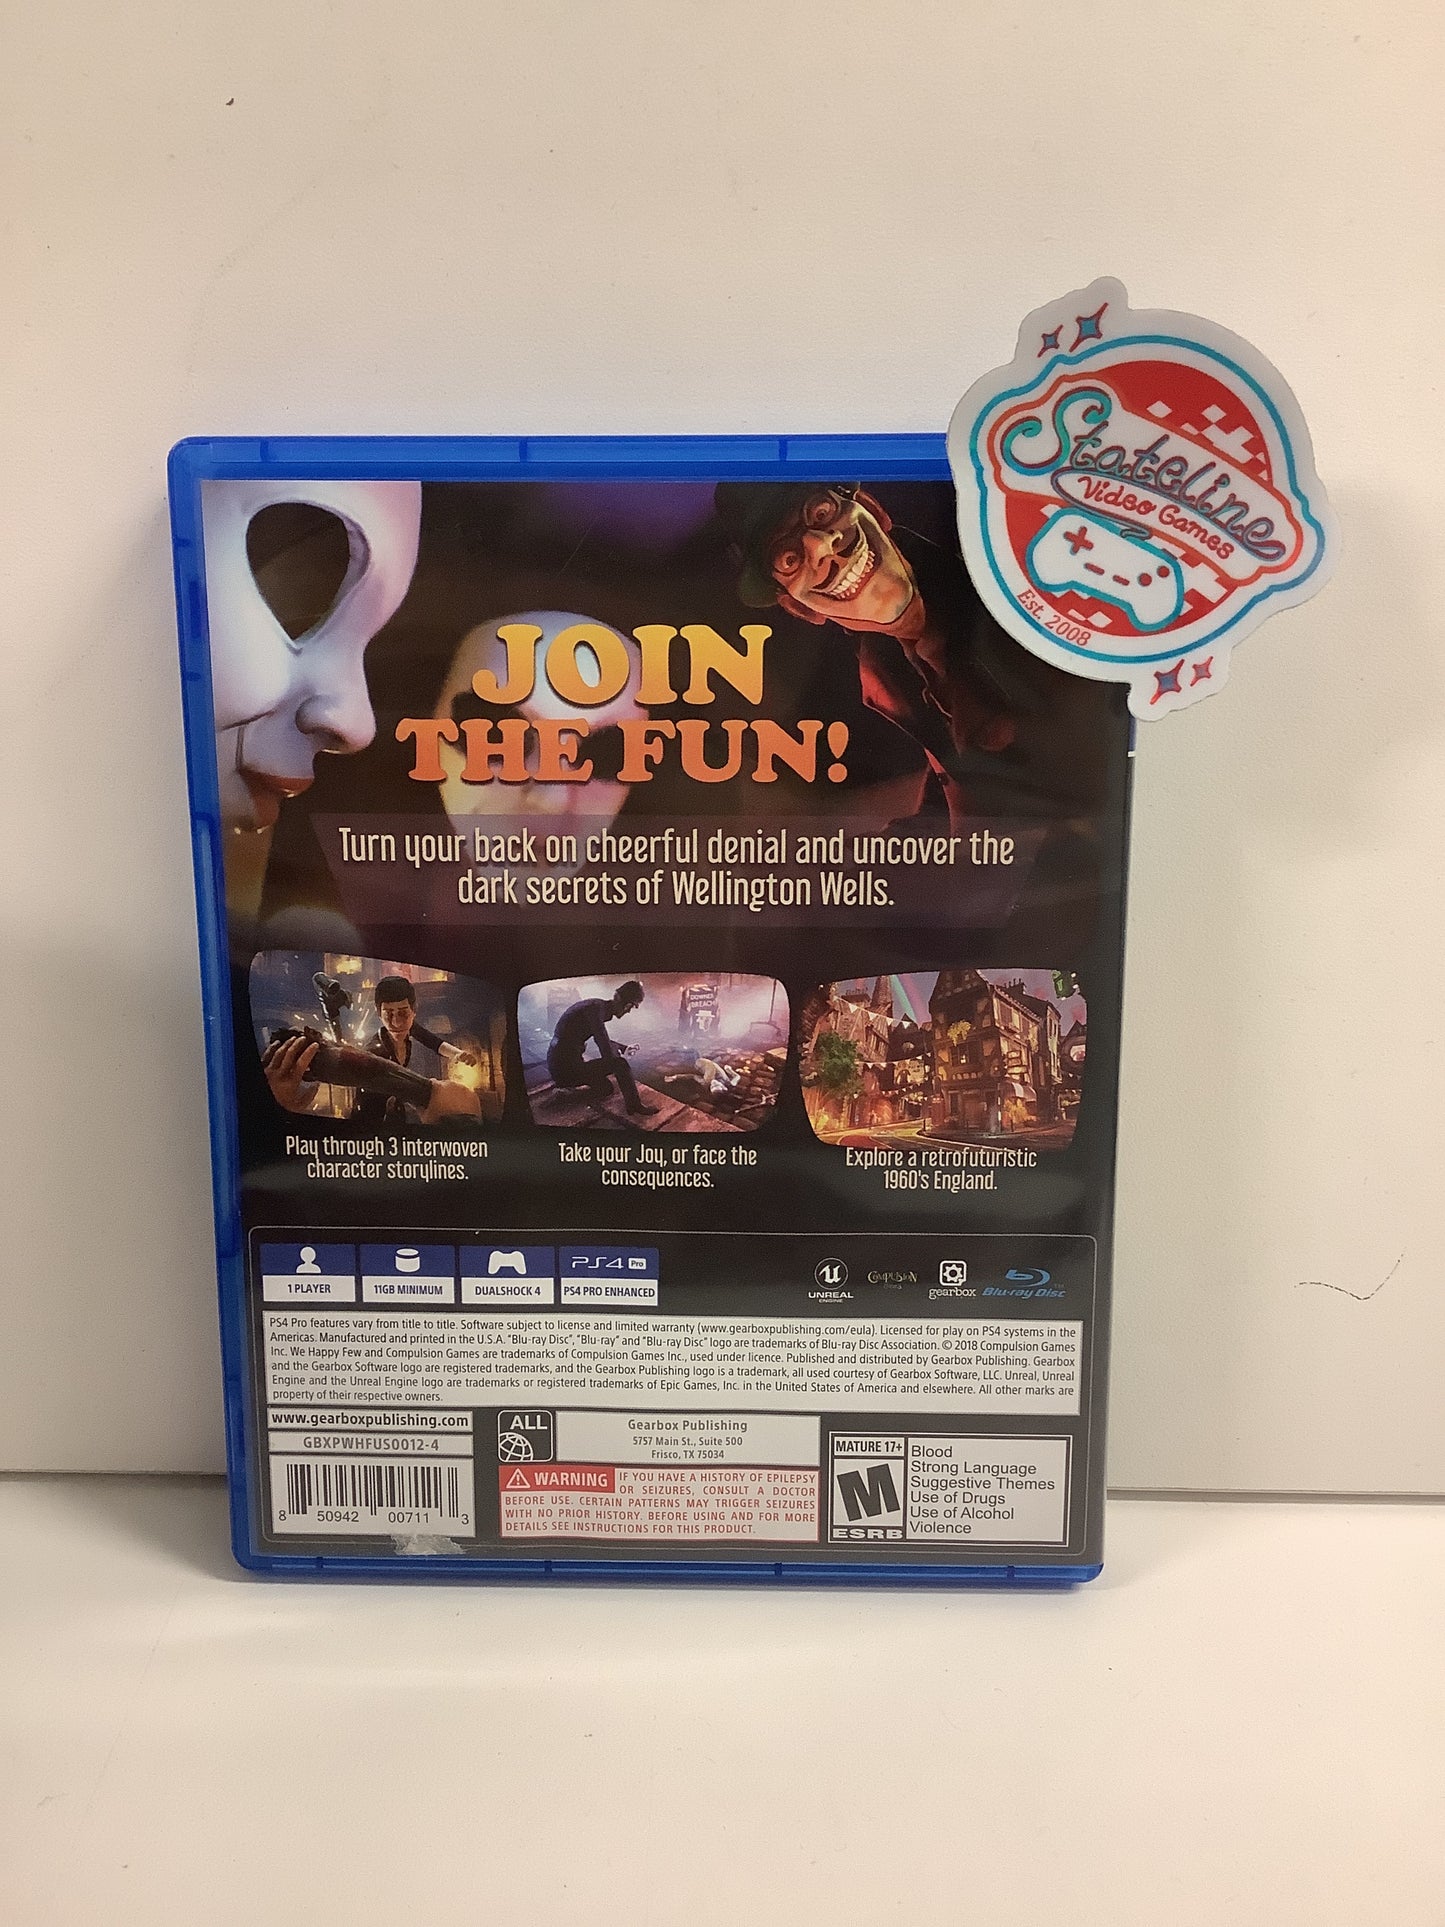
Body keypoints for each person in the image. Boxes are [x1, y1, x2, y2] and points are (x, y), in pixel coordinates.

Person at [714, 481, 1102, 830]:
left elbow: (1092, 787)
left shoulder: (1016, 605)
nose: (821, 546)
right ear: (801, 608)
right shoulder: (884, 669)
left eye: (821, 512)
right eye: (789, 559)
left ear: (872, 509)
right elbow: (954, 785)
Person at [262, 974, 480, 1124]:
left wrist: (457, 1054)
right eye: (389, 1014)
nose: (396, 1021)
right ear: (378, 1012)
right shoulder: (375, 1051)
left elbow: (434, 1042)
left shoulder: (411, 1029)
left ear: (414, 1010)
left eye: (403, 1013)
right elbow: (381, 1076)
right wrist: (432, 1097)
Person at [546, 981, 657, 1117]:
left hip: (563, 1066)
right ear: (618, 998)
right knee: (621, 1064)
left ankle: (565, 1096)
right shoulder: (594, 1010)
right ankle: (634, 1106)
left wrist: (623, 1048)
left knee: (605, 1088)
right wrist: (618, 1060)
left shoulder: (597, 1007)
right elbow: (604, 1047)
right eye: (629, 1006)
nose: (628, 1011)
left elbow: (599, 1039)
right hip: (564, 1069)